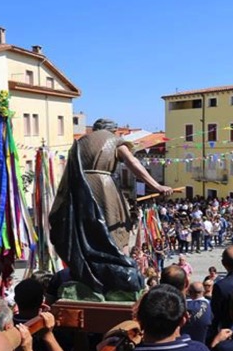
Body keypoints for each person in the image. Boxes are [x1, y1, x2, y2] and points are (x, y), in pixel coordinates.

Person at [50, 119, 172, 295]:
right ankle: (116, 275)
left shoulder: (79, 143)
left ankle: (88, 275)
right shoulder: (114, 140)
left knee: (85, 233)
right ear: (113, 131)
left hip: (78, 190)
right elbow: (133, 163)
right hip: (103, 187)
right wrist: (156, 186)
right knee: (113, 230)